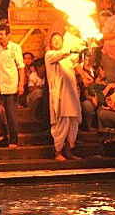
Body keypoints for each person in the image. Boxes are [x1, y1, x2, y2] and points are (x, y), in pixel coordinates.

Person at [45, 33, 83, 161]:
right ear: (50, 44)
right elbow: (61, 54)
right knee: (62, 123)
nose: (56, 41)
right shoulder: (49, 55)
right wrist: (72, 49)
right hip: (59, 94)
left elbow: (78, 60)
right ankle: (58, 152)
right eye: (54, 40)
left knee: (73, 122)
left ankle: (69, 150)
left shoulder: (69, 57)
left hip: (72, 93)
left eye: (59, 39)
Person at [0, 24, 25, 147]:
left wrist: (21, 84)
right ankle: (4, 132)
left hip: (11, 85)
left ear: (8, 35)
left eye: (1, 34)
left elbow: (21, 67)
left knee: (11, 115)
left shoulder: (15, 48)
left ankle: (13, 140)